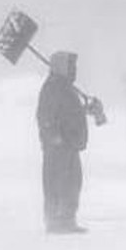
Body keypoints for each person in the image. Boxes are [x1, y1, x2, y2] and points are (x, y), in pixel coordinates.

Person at [36, 51, 89, 234]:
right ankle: (55, 220)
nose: (74, 70)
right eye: (70, 66)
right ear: (61, 67)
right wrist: (53, 136)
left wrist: (86, 108)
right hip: (59, 147)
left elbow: (70, 112)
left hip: (70, 144)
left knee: (72, 182)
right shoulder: (53, 88)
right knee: (58, 182)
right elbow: (45, 116)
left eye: (74, 66)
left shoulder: (65, 87)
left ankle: (67, 219)